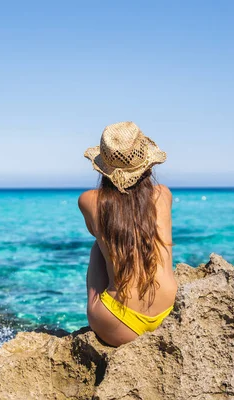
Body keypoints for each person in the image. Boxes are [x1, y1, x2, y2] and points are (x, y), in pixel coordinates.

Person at [78, 121, 177, 347]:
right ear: (147, 164)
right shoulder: (163, 194)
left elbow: (96, 232)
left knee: (98, 246)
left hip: (118, 323)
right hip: (169, 312)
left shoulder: (89, 200)